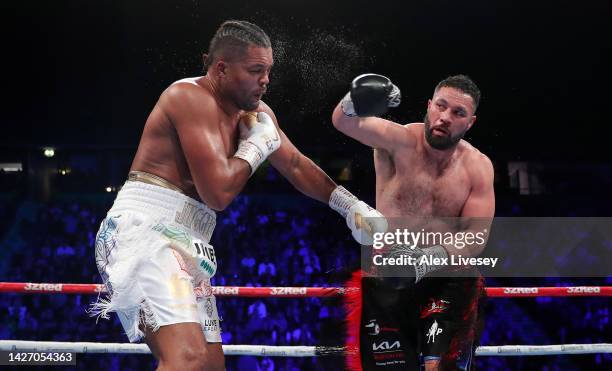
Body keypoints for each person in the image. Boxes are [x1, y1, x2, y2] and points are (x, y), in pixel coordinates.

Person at [91, 20, 386, 371]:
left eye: (268, 71)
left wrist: (350, 206)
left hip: (189, 240)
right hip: (146, 231)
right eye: (255, 70)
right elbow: (217, 192)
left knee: (211, 365)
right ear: (221, 69)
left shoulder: (257, 114)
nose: (266, 80)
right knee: (186, 359)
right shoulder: (188, 97)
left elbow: (294, 164)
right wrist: (257, 145)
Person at [332, 74, 495, 370]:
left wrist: (424, 260)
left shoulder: (478, 166)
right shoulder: (398, 140)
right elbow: (343, 121)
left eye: (457, 113)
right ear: (429, 105)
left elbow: (476, 235)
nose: (445, 117)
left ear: (470, 122)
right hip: (388, 274)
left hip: (447, 278)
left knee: (439, 367)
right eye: (441, 107)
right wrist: (354, 99)